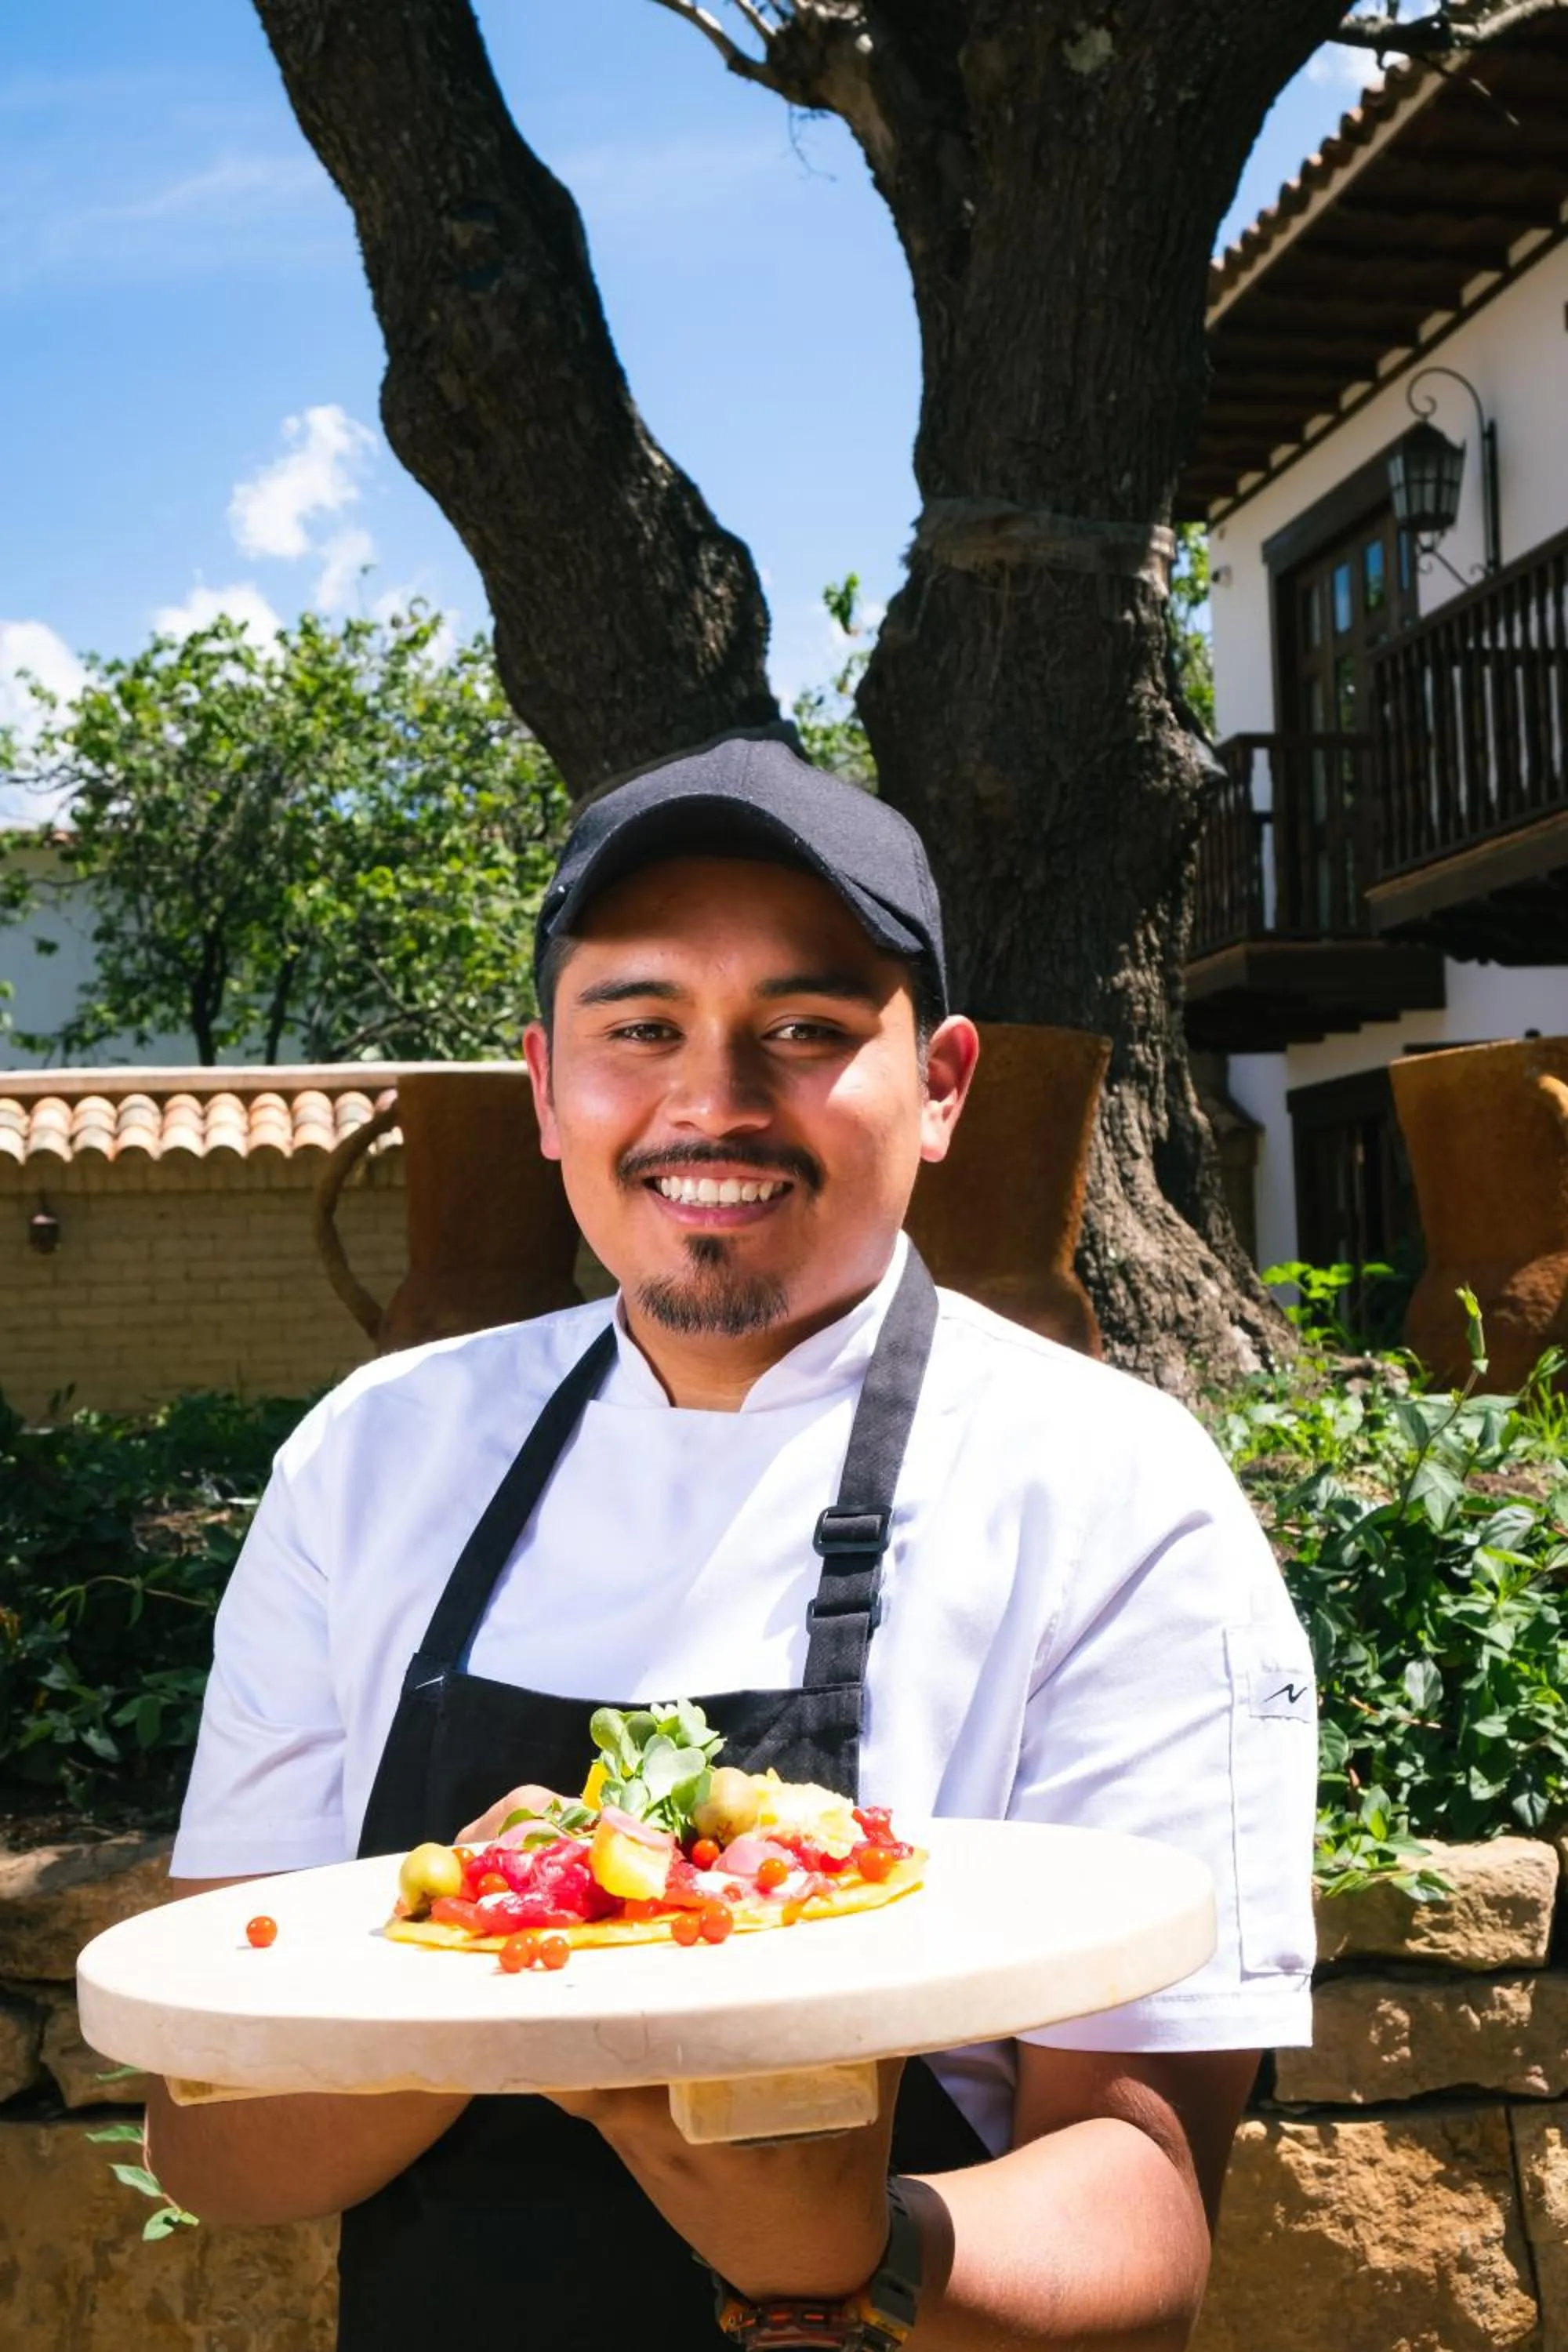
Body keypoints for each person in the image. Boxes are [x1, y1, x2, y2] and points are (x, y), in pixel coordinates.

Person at [147, 729, 1316, 2352]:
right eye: (639, 1026)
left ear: (945, 1089)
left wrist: (853, 2242)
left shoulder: (1111, 1489)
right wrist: (507, 1951)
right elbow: (208, 2138)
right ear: (546, 1091)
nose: (713, 1101)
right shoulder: (374, 1458)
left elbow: (1145, 2215)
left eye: (808, 1028)